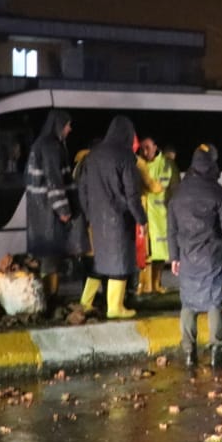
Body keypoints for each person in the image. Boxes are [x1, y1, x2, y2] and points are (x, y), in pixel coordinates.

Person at [167, 144, 222, 368]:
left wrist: (174, 257)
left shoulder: (179, 192)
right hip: (213, 256)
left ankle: (189, 352)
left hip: (188, 257)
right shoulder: (217, 192)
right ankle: (216, 352)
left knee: (188, 303)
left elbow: (171, 229)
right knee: (215, 302)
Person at [76, 116, 147, 319]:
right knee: (119, 262)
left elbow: (84, 189)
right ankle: (115, 308)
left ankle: (85, 301)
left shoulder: (92, 156)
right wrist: (141, 219)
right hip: (119, 219)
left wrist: (90, 213)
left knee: (100, 261)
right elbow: (132, 194)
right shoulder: (125, 157)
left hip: (97, 218)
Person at [24, 109, 74, 298]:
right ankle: (49, 297)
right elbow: (54, 181)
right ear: (59, 125)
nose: (70, 129)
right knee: (51, 260)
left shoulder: (39, 145)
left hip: (38, 214)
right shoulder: (51, 147)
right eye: (68, 125)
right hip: (49, 215)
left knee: (42, 259)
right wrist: (63, 210)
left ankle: (42, 298)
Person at [137, 138, 175, 294]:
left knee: (159, 253)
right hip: (145, 214)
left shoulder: (165, 164)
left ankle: (156, 284)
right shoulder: (138, 163)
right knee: (144, 253)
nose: (145, 152)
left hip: (160, 216)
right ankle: (144, 286)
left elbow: (164, 186)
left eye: (148, 148)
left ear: (155, 147)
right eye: (142, 148)